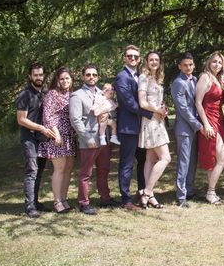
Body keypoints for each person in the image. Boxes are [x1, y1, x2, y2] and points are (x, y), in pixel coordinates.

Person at [69, 64, 120, 215]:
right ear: (83, 77)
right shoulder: (77, 95)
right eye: (88, 75)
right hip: (89, 139)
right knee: (86, 173)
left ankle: (105, 198)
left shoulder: (103, 92)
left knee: (104, 169)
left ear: (97, 77)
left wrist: (108, 116)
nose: (91, 77)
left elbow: (111, 111)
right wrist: (86, 138)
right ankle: (84, 203)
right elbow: (75, 120)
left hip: (104, 138)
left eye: (94, 75)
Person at [115, 45, 159, 211]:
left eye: (135, 56)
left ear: (140, 59)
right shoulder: (122, 77)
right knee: (127, 164)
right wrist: (150, 114)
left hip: (142, 127)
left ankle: (143, 194)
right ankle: (126, 200)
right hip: (128, 127)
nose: (132, 59)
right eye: (129, 56)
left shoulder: (141, 76)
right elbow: (129, 103)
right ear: (124, 58)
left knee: (144, 161)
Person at [16, 63, 55, 218]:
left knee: (39, 172)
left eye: (41, 74)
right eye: (36, 75)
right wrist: (40, 128)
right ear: (30, 76)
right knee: (31, 171)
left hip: (42, 138)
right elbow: (21, 120)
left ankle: (36, 202)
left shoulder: (45, 93)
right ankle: (30, 206)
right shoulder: (24, 95)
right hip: (29, 138)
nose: (39, 77)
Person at [38, 67, 76, 213]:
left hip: (70, 136)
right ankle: (57, 201)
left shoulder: (72, 94)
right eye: (62, 79)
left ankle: (64, 199)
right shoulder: (52, 94)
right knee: (59, 168)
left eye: (67, 78)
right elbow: (47, 116)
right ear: (57, 81)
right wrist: (56, 133)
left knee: (68, 168)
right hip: (57, 136)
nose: (65, 81)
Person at [137, 51, 170, 209]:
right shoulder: (143, 78)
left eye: (157, 59)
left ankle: (150, 196)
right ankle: (147, 192)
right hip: (150, 122)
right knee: (165, 158)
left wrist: (163, 110)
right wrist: (157, 110)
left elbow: (155, 100)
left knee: (151, 159)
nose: (154, 62)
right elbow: (142, 102)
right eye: (151, 59)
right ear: (146, 61)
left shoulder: (157, 78)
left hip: (158, 120)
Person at [170, 52, 202, 208]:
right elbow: (182, 108)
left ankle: (189, 190)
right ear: (179, 66)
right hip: (184, 128)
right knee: (184, 162)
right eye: (185, 65)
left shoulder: (195, 80)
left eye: (190, 64)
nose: (188, 67)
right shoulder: (178, 82)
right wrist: (197, 124)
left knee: (193, 160)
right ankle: (181, 196)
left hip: (194, 127)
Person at [196, 51, 224, 204]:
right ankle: (210, 191)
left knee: (214, 158)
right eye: (214, 61)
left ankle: (211, 193)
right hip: (209, 119)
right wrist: (206, 124)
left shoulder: (218, 78)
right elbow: (198, 103)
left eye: (220, 62)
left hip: (218, 119)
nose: (217, 64)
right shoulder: (205, 77)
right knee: (222, 158)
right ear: (209, 62)